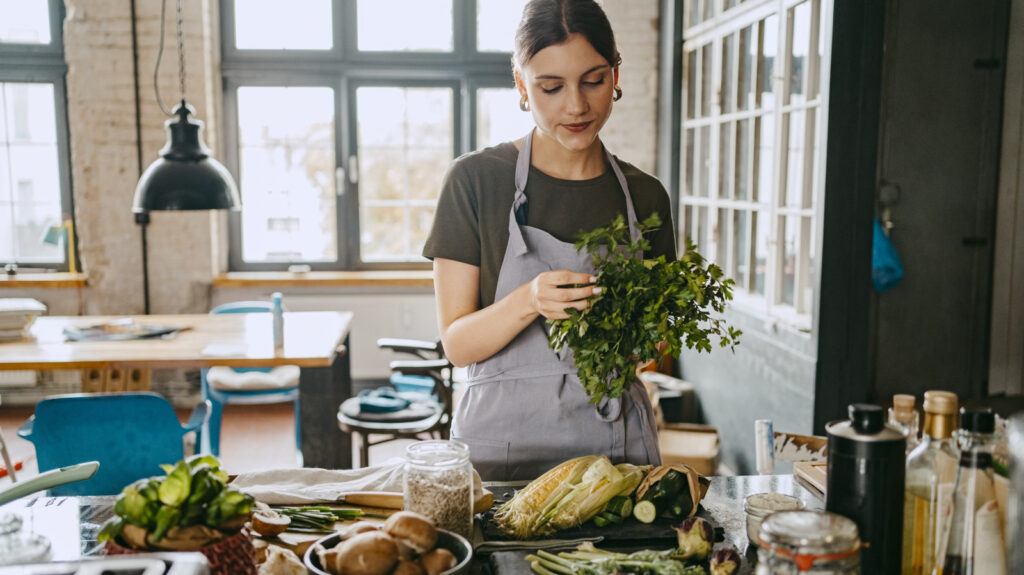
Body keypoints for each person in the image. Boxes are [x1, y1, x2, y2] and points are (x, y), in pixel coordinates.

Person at [422, 0, 675, 481]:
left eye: (594, 80)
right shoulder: (475, 181)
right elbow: (456, 344)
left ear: (616, 75)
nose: (576, 105)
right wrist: (529, 300)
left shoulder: (645, 197)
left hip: (615, 451)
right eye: (551, 87)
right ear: (521, 84)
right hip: (502, 454)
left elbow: (653, 344)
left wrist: (640, 337)